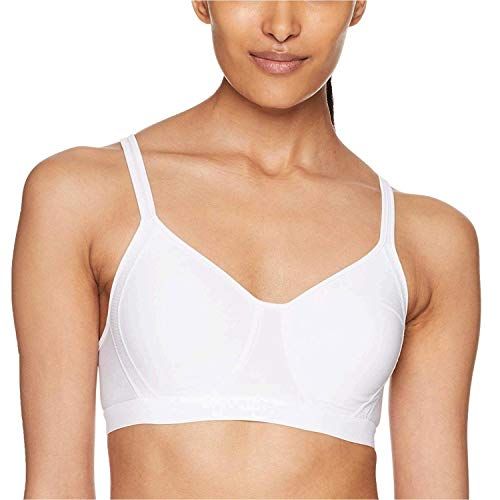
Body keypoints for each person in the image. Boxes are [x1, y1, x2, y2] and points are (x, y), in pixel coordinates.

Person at [12, 1, 480, 498]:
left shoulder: (429, 241)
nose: (281, 26)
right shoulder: (82, 196)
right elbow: (56, 487)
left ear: (358, 4)